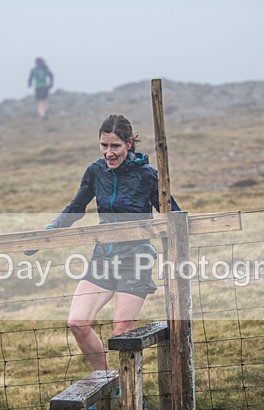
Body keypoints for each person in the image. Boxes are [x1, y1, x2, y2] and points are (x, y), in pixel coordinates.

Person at [42, 114, 180, 373]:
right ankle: (109, 382)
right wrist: (49, 231)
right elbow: (75, 208)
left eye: (115, 146)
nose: (109, 153)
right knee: (77, 323)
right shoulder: (95, 172)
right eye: (104, 146)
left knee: (122, 331)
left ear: (129, 144)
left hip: (136, 260)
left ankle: (131, 398)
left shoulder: (148, 176)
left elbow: (171, 216)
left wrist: (172, 256)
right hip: (103, 258)